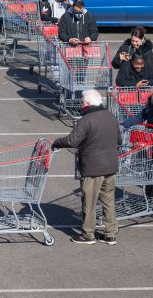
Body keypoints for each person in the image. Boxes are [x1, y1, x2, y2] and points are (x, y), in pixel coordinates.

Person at [52, 90, 121, 244]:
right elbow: (119, 140)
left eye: (83, 102)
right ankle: (110, 233)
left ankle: (88, 234)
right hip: (110, 166)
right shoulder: (111, 117)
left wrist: (56, 142)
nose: (81, 105)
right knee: (108, 200)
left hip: (93, 167)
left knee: (89, 202)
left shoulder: (86, 120)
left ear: (89, 104)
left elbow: (71, 141)